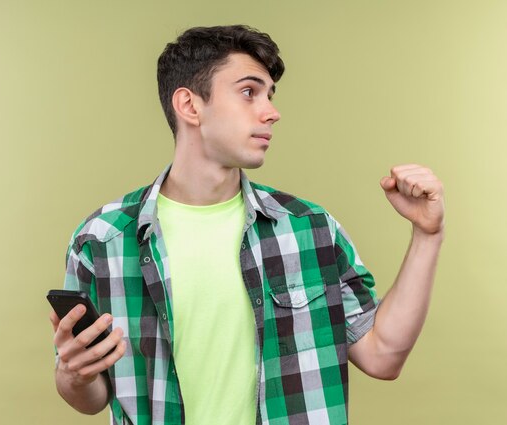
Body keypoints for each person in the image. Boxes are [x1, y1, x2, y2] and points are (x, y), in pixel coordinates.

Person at [49, 25, 445, 425]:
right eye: (249, 92)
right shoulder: (103, 240)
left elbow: (383, 356)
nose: (271, 111)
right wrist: (73, 373)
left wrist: (427, 235)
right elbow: (91, 397)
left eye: (270, 95)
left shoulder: (308, 229)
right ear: (189, 105)